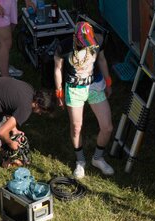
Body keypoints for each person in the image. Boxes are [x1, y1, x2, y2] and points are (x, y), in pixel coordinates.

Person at [0, 76, 54, 200]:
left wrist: (14, 129)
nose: (40, 114)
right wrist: (10, 143)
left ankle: (5, 160)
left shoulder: (29, 90)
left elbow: (8, 104)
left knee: (6, 130)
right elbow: (2, 132)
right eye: (42, 111)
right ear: (38, 104)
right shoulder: (26, 109)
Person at [54, 21, 114, 179]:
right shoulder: (64, 47)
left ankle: (98, 158)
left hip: (94, 85)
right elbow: (58, 68)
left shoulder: (98, 41)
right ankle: (80, 161)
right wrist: (59, 92)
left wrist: (108, 82)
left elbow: (101, 60)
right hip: (74, 88)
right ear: (76, 38)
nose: (88, 45)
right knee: (76, 127)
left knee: (107, 127)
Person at [0, 0, 36, 77]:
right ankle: (5, 79)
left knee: (4, 41)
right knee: (6, 42)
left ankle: (4, 68)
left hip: (10, 4)